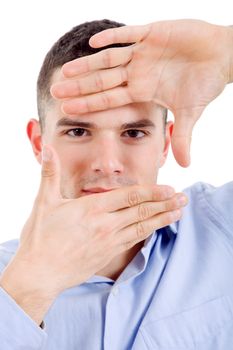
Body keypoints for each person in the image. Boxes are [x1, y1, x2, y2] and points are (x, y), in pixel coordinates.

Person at [0, 18, 232, 350]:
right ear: (39, 143)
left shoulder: (222, 227)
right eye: (78, 132)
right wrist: (28, 288)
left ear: (164, 144)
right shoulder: (8, 281)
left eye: (133, 133)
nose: (107, 163)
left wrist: (227, 51)